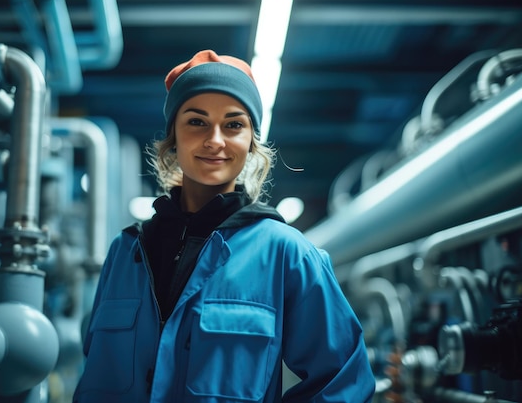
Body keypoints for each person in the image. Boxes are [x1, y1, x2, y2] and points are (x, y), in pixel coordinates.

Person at [73, 49, 375, 403]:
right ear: (173, 138)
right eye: (197, 121)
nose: (215, 140)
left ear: (251, 143)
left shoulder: (286, 253)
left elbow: (343, 382)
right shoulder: (126, 251)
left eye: (233, 124)